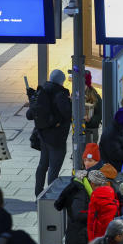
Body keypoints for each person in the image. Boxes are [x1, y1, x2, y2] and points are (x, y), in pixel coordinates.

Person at [27, 69, 72, 197]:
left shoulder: (41, 91)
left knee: (43, 165)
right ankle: (50, 197)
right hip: (57, 138)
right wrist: (71, 102)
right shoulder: (60, 94)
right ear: (61, 81)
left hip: (43, 136)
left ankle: (39, 194)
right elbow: (67, 113)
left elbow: (30, 114)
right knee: (54, 168)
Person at [87, 169, 120, 241]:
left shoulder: (95, 198)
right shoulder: (112, 194)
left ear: (92, 184)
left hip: (99, 241)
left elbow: (91, 226)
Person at [85, 71, 103, 144]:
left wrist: (90, 120)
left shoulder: (96, 97)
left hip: (91, 131)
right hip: (79, 130)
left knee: (90, 153)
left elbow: (99, 115)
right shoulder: (76, 94)